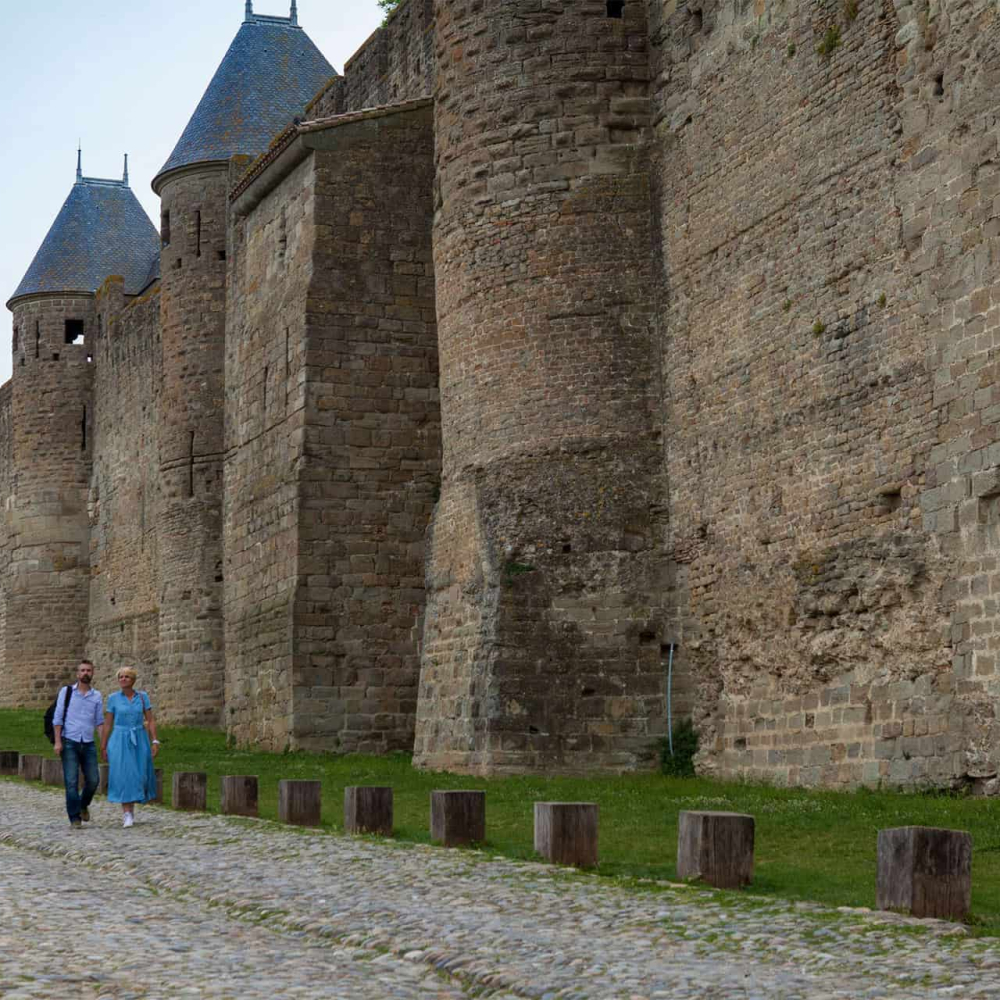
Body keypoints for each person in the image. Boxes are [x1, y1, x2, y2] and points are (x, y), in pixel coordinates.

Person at [102, 667, 159, 828]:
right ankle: (127, 812)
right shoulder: (113, 699)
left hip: (139, 738)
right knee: (124, 775)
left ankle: (132, 808)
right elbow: (108, 723)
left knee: (139, 775)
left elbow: (150, 720)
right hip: (119, 739)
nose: (124, 679)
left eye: (127, 677)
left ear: (133, 680)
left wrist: (155, 740)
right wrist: (103, 745)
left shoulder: (142, 697)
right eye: (121, 677)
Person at [52, 659, 105, 829]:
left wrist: (103, 744)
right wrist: (58, 741)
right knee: (71, 781)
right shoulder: (66, 692)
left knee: (93, 780)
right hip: (69, 741)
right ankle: (74, 817)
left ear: (92, 673)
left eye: (88, 670)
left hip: (88, 742)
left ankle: (83, 805)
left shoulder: (96, 696)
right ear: (77, 674)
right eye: (82, 670)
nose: (85, 673)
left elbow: (99, 722)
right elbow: (58, 718)